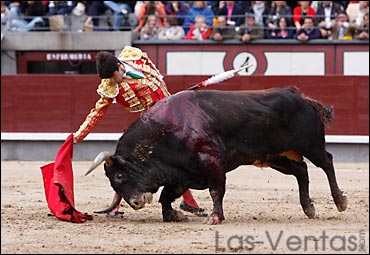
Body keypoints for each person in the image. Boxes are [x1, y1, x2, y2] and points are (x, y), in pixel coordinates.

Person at [73, 46, 207, 217]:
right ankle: (116, 206)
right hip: (150, 128)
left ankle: (188, 202)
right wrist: (78, 136)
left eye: (116, 77)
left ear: (120, 66)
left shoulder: (134, 56)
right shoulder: (109, 85)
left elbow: (159, 82)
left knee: (176, 160)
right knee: (135, 164)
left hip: (171, 119)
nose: (116, 82)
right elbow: (97, 112)